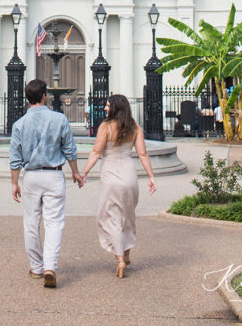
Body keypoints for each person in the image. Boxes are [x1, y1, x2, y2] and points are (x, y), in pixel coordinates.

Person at [9, 78, 83, 288]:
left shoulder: (19, 124)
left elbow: (15, 158)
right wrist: (76, 173)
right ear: (44, 96)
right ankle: (50, 266)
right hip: (54, 175)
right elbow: (70, 149)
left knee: (31, 223)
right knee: (54, 222)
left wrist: (15, 183)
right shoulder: (59, 119)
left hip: (31, 176)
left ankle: (36, 267)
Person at [80, 94, 156, 279]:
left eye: (107, 106)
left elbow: (96, 152)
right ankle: (127, 251)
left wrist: (84, 173)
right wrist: (151, 176)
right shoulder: (135, 127)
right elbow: (143, 154)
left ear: (115, 108)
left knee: (111, 217)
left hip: (110, 177)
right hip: (129, 176)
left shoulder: (105, 127)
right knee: (128, 215)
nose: (105, 109)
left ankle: (120, 259)